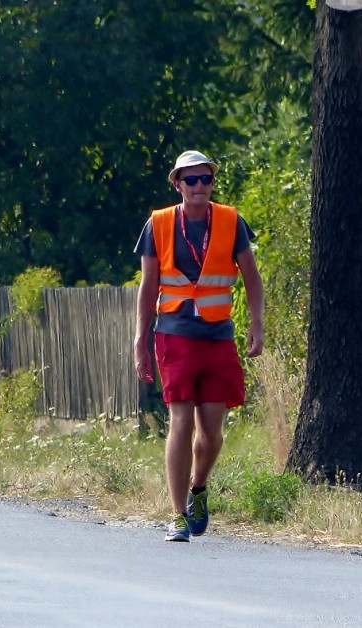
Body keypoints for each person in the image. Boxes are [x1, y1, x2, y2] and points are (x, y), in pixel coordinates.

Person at [133, 150, 265, 542]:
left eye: (205, 179)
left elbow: (252, 277)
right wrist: (140, 340)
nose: (199, 187)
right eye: (190, 180)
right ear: (177, 184)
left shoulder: (230, 221)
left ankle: (198, 489)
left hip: (218, 336)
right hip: (174, 335)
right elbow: (147, 287)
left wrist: (257, 324)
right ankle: (176, 515)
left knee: (212, 432)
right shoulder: (157, 224)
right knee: (181, 421)